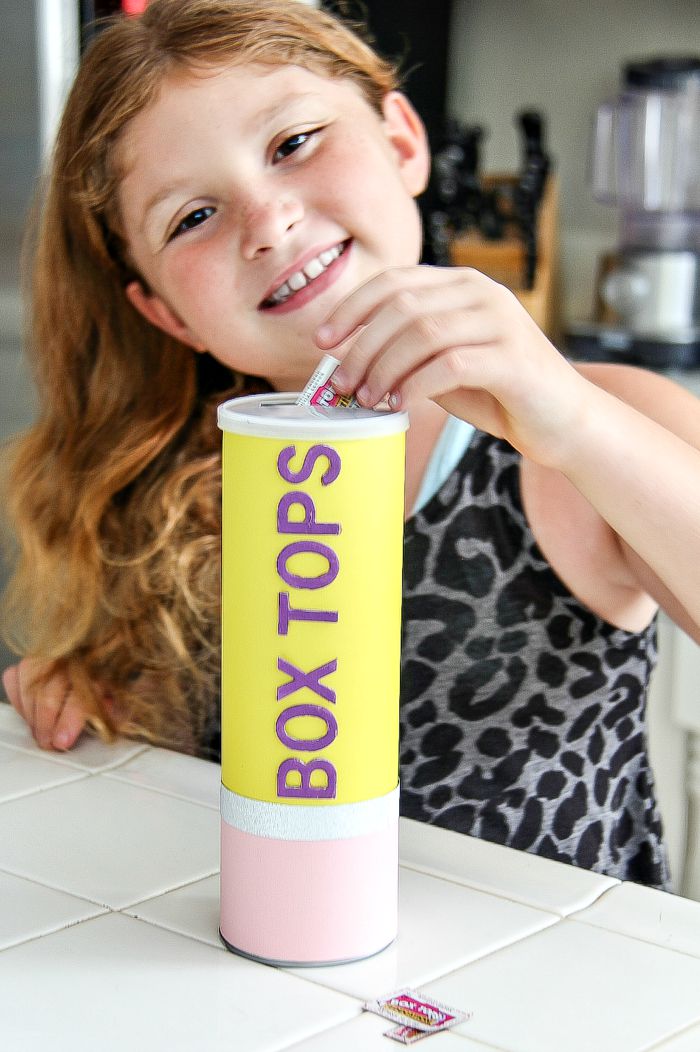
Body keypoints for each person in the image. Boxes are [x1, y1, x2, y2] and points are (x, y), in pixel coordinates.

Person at [2, 0, 700, 888]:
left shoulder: (593, 426)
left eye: (293, 143)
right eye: (192, 216)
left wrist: (571, 421)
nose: (267, 221)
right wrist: (86, 695)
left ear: (402, 141)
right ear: (164, 312)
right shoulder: (165, 489)